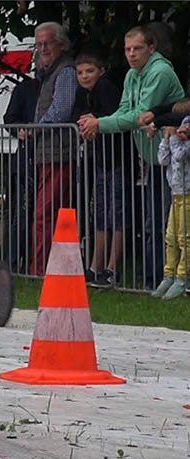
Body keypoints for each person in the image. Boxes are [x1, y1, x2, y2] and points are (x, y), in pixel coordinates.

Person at [78, 25, 185, 289]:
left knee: (169, 222)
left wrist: (100, 124)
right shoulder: (130, 76)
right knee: (153, 220)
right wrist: (101, 122)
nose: (132, 54)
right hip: (153, 156)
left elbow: (140, 115)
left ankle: (166, 278)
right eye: (127, 49)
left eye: (137, 48)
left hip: (176, 155)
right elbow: (124, 110)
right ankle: (154, 278)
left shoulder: (160, 72)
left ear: (151, 48)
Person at [72, 51, 132, 288]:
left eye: (89, 71)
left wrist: (94, 120)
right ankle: (95, 266)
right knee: (101, 213)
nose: (84, 76)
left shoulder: (106, 89)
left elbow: (114, 116)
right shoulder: (83, 94)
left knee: (116, 214)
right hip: (101, 162)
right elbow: (76, 115)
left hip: (117, 160)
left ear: (101, 71)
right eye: (80, 72)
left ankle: (111, 268)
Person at [27, 22, 77, 276]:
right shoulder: (48, 72)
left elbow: (61, 109)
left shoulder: (66, 71)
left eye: (47, 43)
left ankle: (41, 270)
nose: (43, 49)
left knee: (45, 214)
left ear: (61, 44)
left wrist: (36, 127)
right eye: (39, 44)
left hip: (59, 152)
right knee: (48, 213)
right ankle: (49, 268)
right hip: (48, 152)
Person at [3, 55, 41, 274]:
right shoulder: (25, 89)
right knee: (20, 211)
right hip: (25, 158)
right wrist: (20, 129)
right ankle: (15, 261)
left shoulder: (60, 86)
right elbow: (9, 118)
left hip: (49, 158)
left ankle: (38, 260)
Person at [153, 117, 190, 299]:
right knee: (171, 236)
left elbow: (181, 155)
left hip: (188, 192)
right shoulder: (176, 135)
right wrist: (165, 139)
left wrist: (174, 137)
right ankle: (169, 274)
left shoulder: (186, 134)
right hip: (175, 192)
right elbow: (163, 159)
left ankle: (183, 277)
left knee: (185, 237)